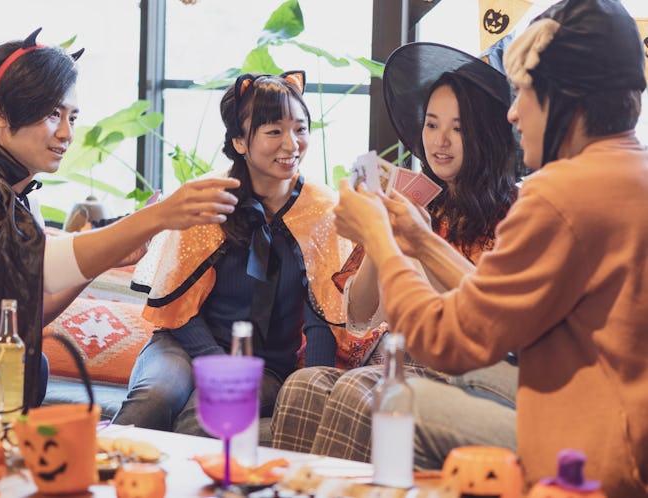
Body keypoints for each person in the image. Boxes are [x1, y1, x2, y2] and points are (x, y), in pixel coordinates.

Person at [333, 1, 647, 496]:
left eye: (524, 92)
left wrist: (378, 236)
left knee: (386, 401)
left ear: (570, 102)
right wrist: (418, 239)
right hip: (623, 429)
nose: (513, 113)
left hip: (592, 454)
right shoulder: (632, 174)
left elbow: (447, 341)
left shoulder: (557, 195)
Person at [0, 28, 239, 407]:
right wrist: (158, 217)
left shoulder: (17, 196)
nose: (66, 133)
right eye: (51, 114)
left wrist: (105, 258)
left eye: (72, 117)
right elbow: (43, 265)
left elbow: (28, 307)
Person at [271, 42, 520, 465]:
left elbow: (482, 317)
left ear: (488, 134)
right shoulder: (415, 200)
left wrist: (419, 242)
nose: (440, 141)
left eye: (458, 128)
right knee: (303, 384)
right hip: (399, 360)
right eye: (432, 124)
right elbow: (361, 313)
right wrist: (378, 236)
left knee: (357, 390)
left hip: (470, 371)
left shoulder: (514, 215)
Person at [112, 71, 376, 434]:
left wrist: (316, 392)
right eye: (274, 131)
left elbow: (323, 316)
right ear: (239, 141)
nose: (292, 144)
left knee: (201, 420)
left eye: (300, 129)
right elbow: (178, 305)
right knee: (153, 399)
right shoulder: (208, 199)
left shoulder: (322, 210)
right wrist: (218, 364)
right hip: (182, 346)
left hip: (263, 365)